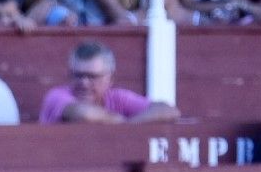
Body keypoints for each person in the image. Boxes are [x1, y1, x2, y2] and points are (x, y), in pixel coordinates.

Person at [39, 41, 178, 123]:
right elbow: (84, 114)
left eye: (92, 77)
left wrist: (130, 127)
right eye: (78, 75)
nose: (84, 83)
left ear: (110, 79)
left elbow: (168, 111)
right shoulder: (56, 96)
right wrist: (123, 125)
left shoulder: (117, 97)